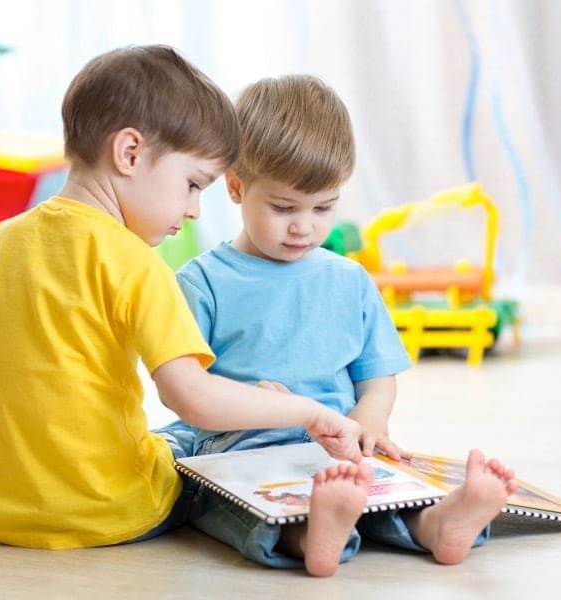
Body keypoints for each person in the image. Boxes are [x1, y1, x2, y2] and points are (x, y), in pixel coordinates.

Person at [0, 46, 364, 551]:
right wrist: (305, 412)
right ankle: (298, 533)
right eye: (193, 184)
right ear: (129, 153)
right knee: (216, 470)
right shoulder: (137, 264)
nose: (195, 209)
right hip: (114, 507)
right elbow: (193, 398)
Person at [158, 74, 518, 577]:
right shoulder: (202, 282)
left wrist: (371, 420)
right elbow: (188, 387)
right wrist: (254, 402)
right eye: (283, 207)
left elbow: (376, 378)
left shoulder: (351, 281)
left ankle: (438, 523)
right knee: (227, 494)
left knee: (376, 485)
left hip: (342, 443)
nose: (304, 226)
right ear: (236, 187)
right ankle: (315, 531)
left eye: (324, 207)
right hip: (243, 443)